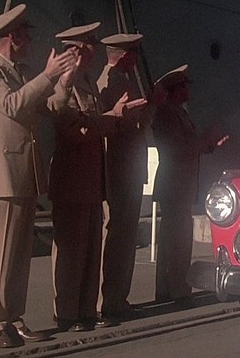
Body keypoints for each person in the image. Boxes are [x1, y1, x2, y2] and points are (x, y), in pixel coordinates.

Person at [0, 4, 76, 348]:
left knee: (18, 256)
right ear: (12, 37)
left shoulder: (22, 72)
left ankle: (13, 318)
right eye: (25, 35)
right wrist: (47, 75)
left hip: (25, 173)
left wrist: (65, 79)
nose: (30, 41)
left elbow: (53, 107)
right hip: (1, 175)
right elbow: (12, 105)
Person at [47, 22, 146, 332]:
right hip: (72, 178)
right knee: (71, 251)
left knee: (89, 250)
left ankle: (85, 311)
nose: (95, 47)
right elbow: (76, 129)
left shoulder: (87, 81)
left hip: (91, 178)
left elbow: (92, 122)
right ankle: (67, 313)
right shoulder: (64, 84)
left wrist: (112, 117)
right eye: (90, 42)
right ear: (77, 50)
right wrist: (113, 117)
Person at [152, 64, 228, 304]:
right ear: (176, 89)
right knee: (177, 240)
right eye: (185, 85)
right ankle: (178, 291)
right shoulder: (167, 113)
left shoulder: (177, 112)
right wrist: (205, 140)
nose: (189, 89)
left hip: (179, 183)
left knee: (173, 239)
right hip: (174, 184)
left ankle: (168, 289)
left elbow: (187, 145)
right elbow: (177, 147)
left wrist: (209, 144)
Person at [96, 33, 149, 320]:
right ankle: (110, 301)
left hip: (127, 169)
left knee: (124, 236)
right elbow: (113, 125)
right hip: (120, 169)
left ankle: (117, 298)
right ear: (127, 56)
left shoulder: (120, 80)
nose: (137, 59)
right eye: (135, 54)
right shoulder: (110, 82)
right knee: (118, 236)